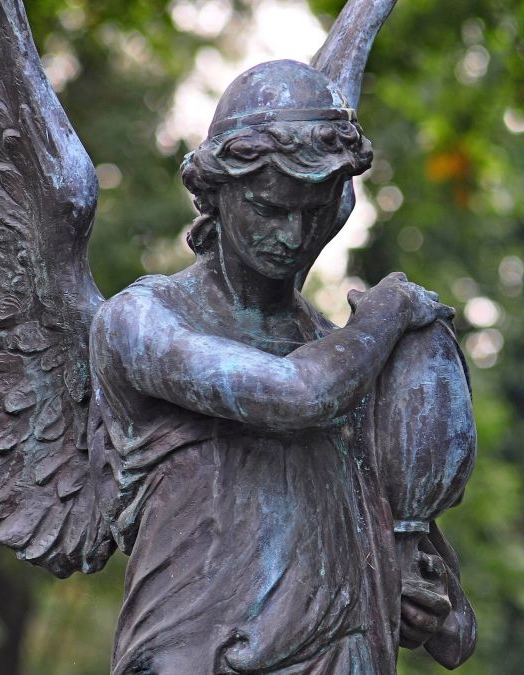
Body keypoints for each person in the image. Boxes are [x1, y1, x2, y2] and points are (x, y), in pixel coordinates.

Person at [89, 60, 476, 674]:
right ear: (215, 193)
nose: (293, 235)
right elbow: (297, 397)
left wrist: (426, 603)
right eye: (269, 209)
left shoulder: (344, 355)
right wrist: (389, 311)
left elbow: (453, 630)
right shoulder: (142, 321)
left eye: (314, 211)